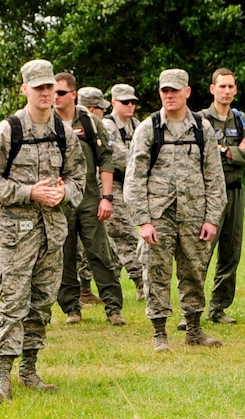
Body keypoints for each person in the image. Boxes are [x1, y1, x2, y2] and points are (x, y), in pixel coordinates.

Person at [0, 59, 85, 401]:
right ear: (24, 89)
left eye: (49, 87)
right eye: (37, 87)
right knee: (12, 303)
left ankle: (29, 369)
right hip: (15, 236)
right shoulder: (9, 130)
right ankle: (2, 378)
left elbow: (79, 178)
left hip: (51, 235)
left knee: (41, 303)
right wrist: (29, 192)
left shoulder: (64, 133)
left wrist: (64, 192)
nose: (44, 93)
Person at [126, 68, 226, 353]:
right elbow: (134, 178)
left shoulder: (201, 128)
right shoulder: (149, 128)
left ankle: (194, 329)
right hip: (159, 215)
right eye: (164, 91)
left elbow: (214, 177)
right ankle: (159, 332)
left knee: (194, 270)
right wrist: (143, 221)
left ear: (187, 92)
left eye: (174, 90)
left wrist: (212, 218)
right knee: (156, 272)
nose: (169, 95)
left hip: (194, 215)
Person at [53, 71, 125, 325]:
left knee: (100, 253)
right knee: (65, 254)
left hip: (90, 197)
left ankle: (113, 308)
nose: (55, 96)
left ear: (73, 94)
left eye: (60, 92)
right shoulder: (46, 122)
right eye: (52, 91)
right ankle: (72, 308)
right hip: (59, 201)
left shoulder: (89, 121)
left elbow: (106, 159)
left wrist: (107, 197)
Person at [199, 68, 245, 323]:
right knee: (201, 252)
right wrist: (232, 151)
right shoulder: (200, 120)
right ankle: (191, 308)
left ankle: (218, 308)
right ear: (212, 89)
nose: (226, 91)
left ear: (235, 90)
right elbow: (200, 155)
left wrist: (223, 151)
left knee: (231, 252)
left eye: (230, 87)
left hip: (234, 191)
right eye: (221, 86)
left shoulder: (241, 120)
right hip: (207, 194)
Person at [104, 85, 149, 301]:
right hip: (113, 186)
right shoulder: (107, 125)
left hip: (133, 186)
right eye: (125, 102)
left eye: (132, 101)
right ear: (114, 103)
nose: (130, 105)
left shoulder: (137, 125)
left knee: (115, 244)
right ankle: (142, 283)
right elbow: (120, 157)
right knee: (127, 236)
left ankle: (108, 283)